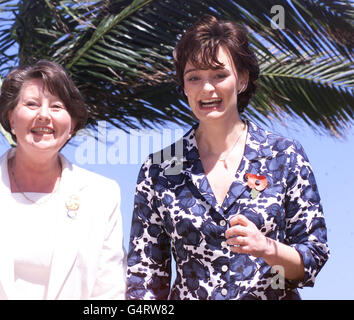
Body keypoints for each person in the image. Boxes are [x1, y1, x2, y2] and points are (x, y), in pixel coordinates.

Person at [126, 15, 329, 300]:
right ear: (184, 86)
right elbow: (144, 277)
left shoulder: (285, 156)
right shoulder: (159, 170)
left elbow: (313, 257)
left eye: (219, 75)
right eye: (194, 77)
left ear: (242, 79)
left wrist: (265, 246)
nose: (207, 88)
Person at [0, 60, 126, 299]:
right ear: (11, 118)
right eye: (31, 104)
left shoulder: (101, 195)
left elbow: (110, 290)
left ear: (71, 125)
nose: (43, 115)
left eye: (57, 107)